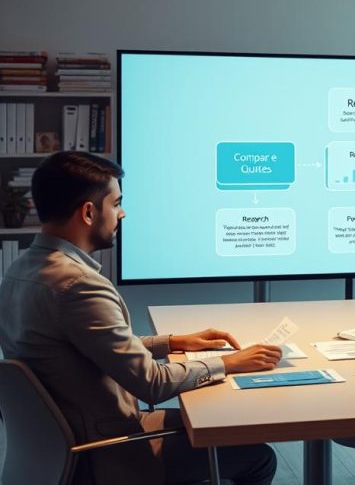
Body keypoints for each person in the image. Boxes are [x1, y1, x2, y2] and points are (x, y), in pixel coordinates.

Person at [0, 151, 282, 485]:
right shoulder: (78, 285)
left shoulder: (19, 270)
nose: (122, 213)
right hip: (106, 451)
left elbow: (86, 348)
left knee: (224, 424)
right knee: (257, 456)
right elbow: (152, 384)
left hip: (66, 441)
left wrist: (171, 343)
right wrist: (229, 363)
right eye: (116, 203)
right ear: (88, 212)